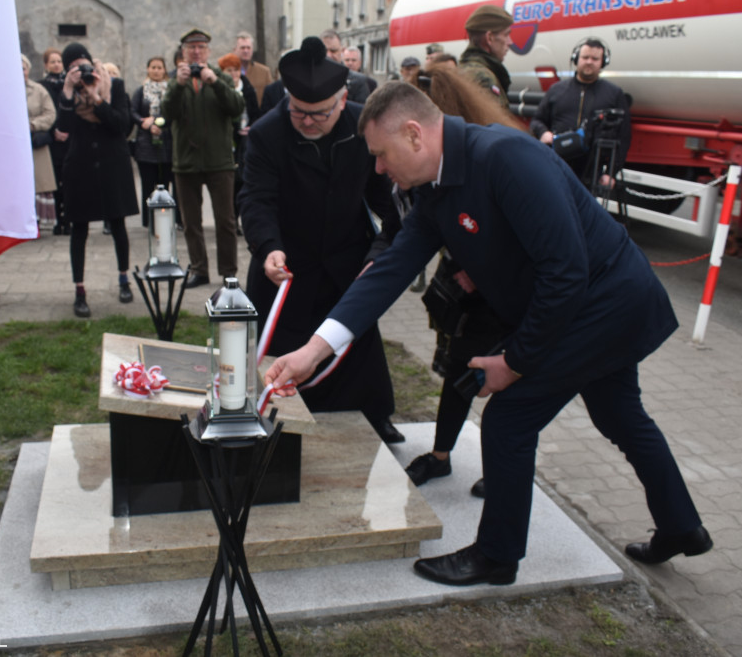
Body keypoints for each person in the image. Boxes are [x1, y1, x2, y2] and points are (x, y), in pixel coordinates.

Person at [264, 81, 712, 586]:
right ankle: (681, 527)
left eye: (382, 155)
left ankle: (497, 556)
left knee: (508, 421)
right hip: (585, 308)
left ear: (414, 135)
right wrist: (313, 350)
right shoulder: (435, 188)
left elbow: (565, 273)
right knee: (622, 416)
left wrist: (515, 361)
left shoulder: (506, 158)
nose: (379, 169)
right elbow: (391, 270)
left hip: (605, 304)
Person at [238, 36, 404, 444]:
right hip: (285, 261)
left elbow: (388, 201)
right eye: (298, 112)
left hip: (347, 259)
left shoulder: (364, 126)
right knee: (279, 348)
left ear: (343, 98)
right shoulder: (266, 134)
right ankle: (270, 416)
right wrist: (267, 245)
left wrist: (379, 251)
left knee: (355, 345)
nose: (308, 121)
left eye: (320, 114)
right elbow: (255, 198)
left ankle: (373, 415)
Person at [400, 66, 526, 492]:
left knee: (508, 380)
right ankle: (440, 456)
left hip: (504, 292)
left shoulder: (493, 150)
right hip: (465, 282)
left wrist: (483, 268)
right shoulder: (441, 149)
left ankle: (500, 471)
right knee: (460, 368)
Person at [55, 42, 139, 317]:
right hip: (80, 168)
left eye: (84, 64)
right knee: (78, 230)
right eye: (74, 67)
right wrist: (68, 90)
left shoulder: (113, 86)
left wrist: (96, 97)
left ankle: (124, 279)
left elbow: (121, 125)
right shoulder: (66, 93)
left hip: (112, 164)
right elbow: (63, 129)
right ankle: (79, 290)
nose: (81, 71)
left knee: (117, 224)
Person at [162, 28, 245, 289]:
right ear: (184, 52)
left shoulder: (220, 76)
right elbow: (167, 113)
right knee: (190, 222)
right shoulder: (176, 80)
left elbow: (236, 108)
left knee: (226, 220)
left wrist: (215, 82)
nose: (196, 52)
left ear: (208, 52)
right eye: (191, 48)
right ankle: (199, 269)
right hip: (186, 162)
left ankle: (229, 272)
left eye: (201, 48)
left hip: (218, 161)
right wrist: (179, 85)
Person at [530, 38, 631, 190]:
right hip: (557, 164)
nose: (589, 62)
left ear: (603, 62)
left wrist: (611, 173)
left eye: (595, 58)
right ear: (576, 59)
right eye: (585, 57)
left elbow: (624, 136)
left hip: (591, 171)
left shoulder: (614, 94)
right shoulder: (557, 90)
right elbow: (537, 120)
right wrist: (543, 133)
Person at [130, 56, 174, 226]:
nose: (156, 71)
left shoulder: (170, 91)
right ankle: (148, 220)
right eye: (153, 67)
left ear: (164, 70)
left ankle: (165, 217)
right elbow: (132, 111)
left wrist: (160, 122)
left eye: (159, 67)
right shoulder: (141, 91)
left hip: (166, 144)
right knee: (148, 185)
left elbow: (173, 112)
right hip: (145, 146)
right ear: (148, 69)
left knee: (165, 183)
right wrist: (144, 123)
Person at [218, 52, 260, 221]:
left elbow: (255, 111)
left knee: (243, 179)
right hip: (228, 141)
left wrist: (251, 127)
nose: (234, 74)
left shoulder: (247, 87)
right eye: (229, 70)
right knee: (229, 182)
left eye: (236, 70)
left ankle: (240, 216)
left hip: (246, 139)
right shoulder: (222, 88)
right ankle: (230, 217)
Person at [23, 54, 57, 231]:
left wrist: (32, 124)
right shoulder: (3, 88)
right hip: (14, 145)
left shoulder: (38, 90)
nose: (21, 72)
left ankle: (37, 221)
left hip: (35, 142)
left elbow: (50, 114)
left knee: (38, 182)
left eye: (24, 68)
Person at [40, 47, 71, 235]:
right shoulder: (42, 85)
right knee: (54, 181)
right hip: (52, 141)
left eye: (59, 61)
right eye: (53, 61)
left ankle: (69, 220)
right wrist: (54, 131)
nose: (57, 65)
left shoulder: (70, 83)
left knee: (69, 181)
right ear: (46, 65)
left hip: (70, 139)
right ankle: (57, 220)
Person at [459, 4, 514, 109]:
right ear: (490, 38)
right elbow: (493, 123)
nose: (510, 42)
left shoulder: (460, 70)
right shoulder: (483, 78)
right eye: (506, 35)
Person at [319, 30, 371, 104]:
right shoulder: (309, 78)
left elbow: (362, 112)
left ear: (342, 51)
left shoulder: (358, 81)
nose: (328, 55)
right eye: (324, 51)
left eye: (333, 51)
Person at [234, 31, 271, 107]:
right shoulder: (227, 72)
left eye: (248, 48)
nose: (246, 51)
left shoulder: (264, 72)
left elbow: (272, 97)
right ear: (235, 50)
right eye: (242, 48)